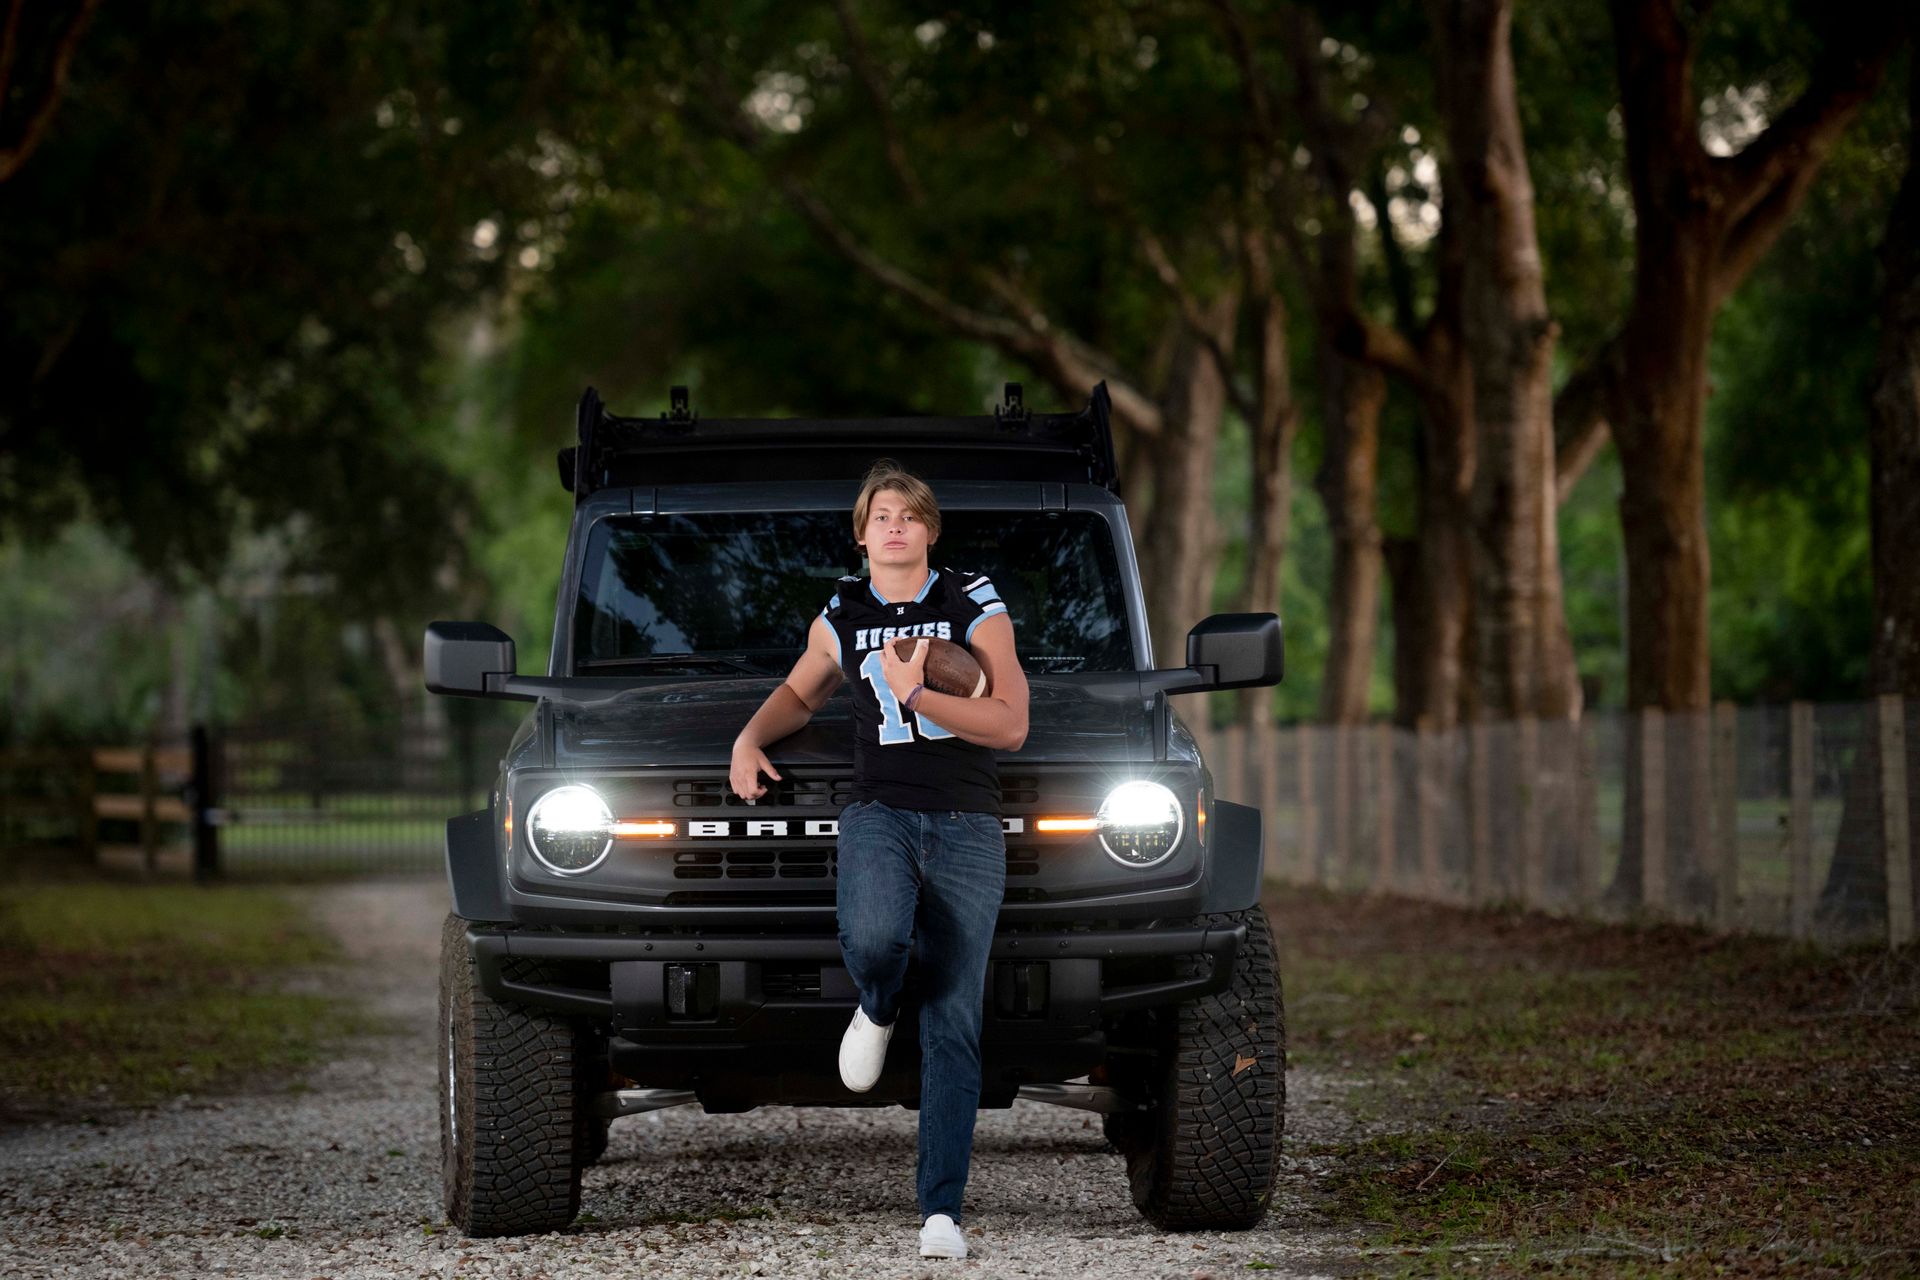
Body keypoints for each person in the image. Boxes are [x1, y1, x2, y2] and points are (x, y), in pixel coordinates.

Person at [729, 459, 1030, 1261]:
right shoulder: (844, 610)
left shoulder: (972, 600)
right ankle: (878, 1004)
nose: (894, 524)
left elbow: (1008, 724)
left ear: (930, 529)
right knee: (874, 941)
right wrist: (750, 736)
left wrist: (917, 693)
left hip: (966, 821)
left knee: (956, 1017)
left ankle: (941, 1213)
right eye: (880, 514)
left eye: (909, 513)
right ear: (862, 535)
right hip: (879, 813)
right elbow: (801, 693)